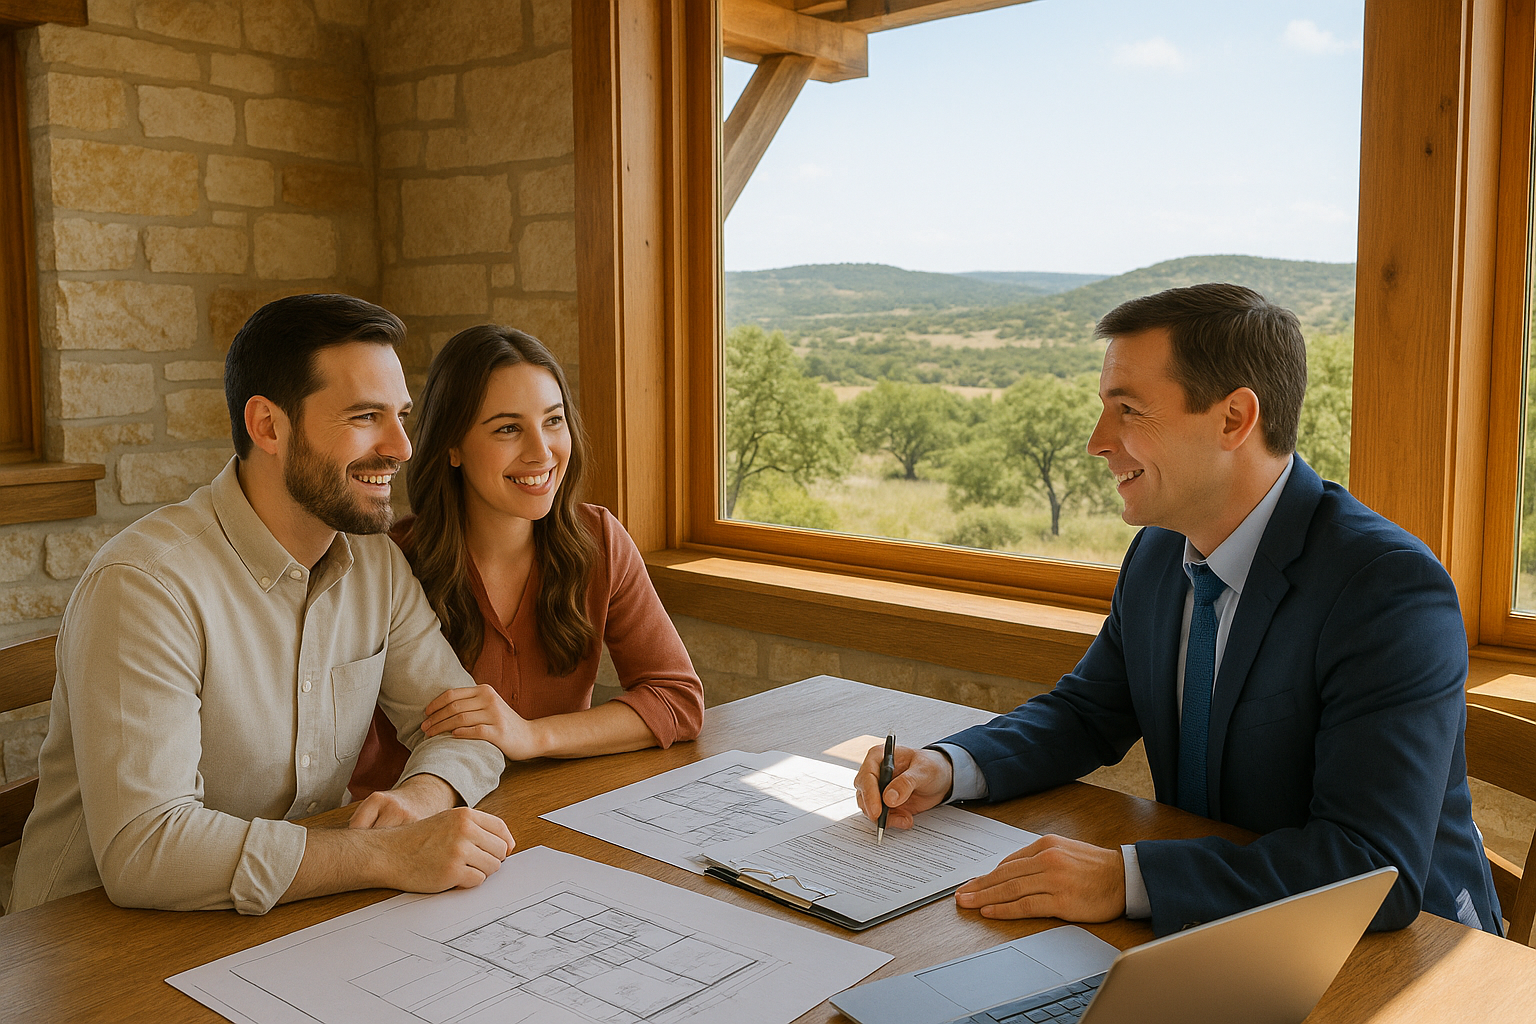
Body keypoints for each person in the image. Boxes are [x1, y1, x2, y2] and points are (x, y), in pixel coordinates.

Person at [855, 283, 1501, 937]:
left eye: (1129, 410)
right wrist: (950, 767)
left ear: (1233, 420)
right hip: (1220, 931)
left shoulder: (1388, 591)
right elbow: (1086, 713)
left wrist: (1127, 878)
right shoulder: (1159, 553)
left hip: (1411, 952)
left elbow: (1370, 869)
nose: (1097, 442)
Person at [9, 295, 513, 916]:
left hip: (279, 923)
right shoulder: (143, 585)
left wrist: (424, 798)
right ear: (268, 426)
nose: (402, 447)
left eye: (401, 416)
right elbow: (146, 851)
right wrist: (385, 855)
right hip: (94, 945)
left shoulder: (375, 563)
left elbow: (471, 731)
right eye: (365, 417)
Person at [348, 325, 703, 797]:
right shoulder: (388, 563)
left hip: (557, 811)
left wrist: (533, 736)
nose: (541, 452)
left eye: (553, 421)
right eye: (508, 428)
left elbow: (677, 699)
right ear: (452, 446)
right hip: (426, 822)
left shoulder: (599, 540)